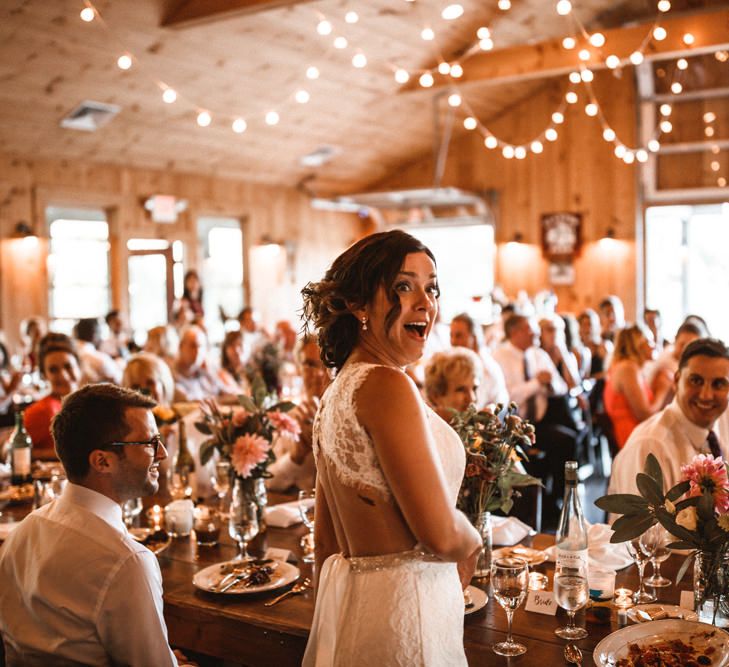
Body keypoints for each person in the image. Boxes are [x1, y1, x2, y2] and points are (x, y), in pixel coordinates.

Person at [301, 230, 481, 666]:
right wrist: (473, 540)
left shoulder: (339, 389)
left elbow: (325, 545)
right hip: (408, 618)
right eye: (404, 286)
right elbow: (439, 535)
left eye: (431, 287)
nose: (425, 302)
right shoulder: (386, 384)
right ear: (360, 304)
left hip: (363, 612)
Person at [0, 384, 187, 666]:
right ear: (102, 461)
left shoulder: (23, 533)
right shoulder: (127, 562)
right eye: (148, 442)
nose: (161, 452)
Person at [609, 338, 729, 495]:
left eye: (719, 384)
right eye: (696, 381)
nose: (706, 395)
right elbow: (639, 519)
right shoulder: (649, 447)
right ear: (677, 380)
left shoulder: (721, 423)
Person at [492, 314, 575, 521]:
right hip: (511, 426)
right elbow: (509, 397)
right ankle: (531, 508)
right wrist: (537, 384)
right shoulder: (499, 357)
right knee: (527, 456)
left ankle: (557, 500)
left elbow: (561, 387)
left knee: (567, 440)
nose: (535, 333)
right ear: (515, 332)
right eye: (529, 329)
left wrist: (549, 383)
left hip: (540, 422)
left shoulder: (539, 355)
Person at [267, 334, 329, 492]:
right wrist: (296, 456)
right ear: (298, 367)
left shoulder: (345, 415)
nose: (319, 373)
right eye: (310, 364)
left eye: (326, 364)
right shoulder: (287, 415)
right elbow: (269, 482)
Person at [603, 324, 669, 449]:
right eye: (649, 341)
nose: (653, 345)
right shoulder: (628, 368)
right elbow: (644, 415)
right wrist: (663, 390)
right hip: (634, 440)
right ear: (637, 344)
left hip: (638, 434)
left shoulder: (626, 366)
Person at [23, 333, 81, 459]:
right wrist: (62, 454)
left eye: (68, 366)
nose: (64, 376)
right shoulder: (43, 411)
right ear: (44, 375)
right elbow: (10, 451)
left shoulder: (91, 404)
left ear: (79, 366)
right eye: (53, 370)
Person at [449, 312, 509, 406]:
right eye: (451, 336)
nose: (453, 341)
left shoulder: (485, 368)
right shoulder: (461, 363)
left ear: (474, 338)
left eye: (458, 336)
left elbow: (473, 407)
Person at [647, 320, 705, 409]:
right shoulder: (665, 371)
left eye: (691, 345)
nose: (686, 349)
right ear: (675, 341)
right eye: (682, 344)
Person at [424, 347, 482, 421]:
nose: (472, 398)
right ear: (436, 396)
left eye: (474, 388)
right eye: (461, 390)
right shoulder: (424, 429)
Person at [74, 317, 122, 384]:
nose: (101, 338)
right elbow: (118, 379)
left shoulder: (71, 354)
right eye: (99, 332)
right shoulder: (99, 359)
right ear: (94, 333)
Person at [216, 330, 250, 395]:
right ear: (225, 350)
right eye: (232, 346)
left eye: (239, 345)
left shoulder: (248, 372)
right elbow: (235, 394)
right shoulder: (222, 374)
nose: (236, 350)